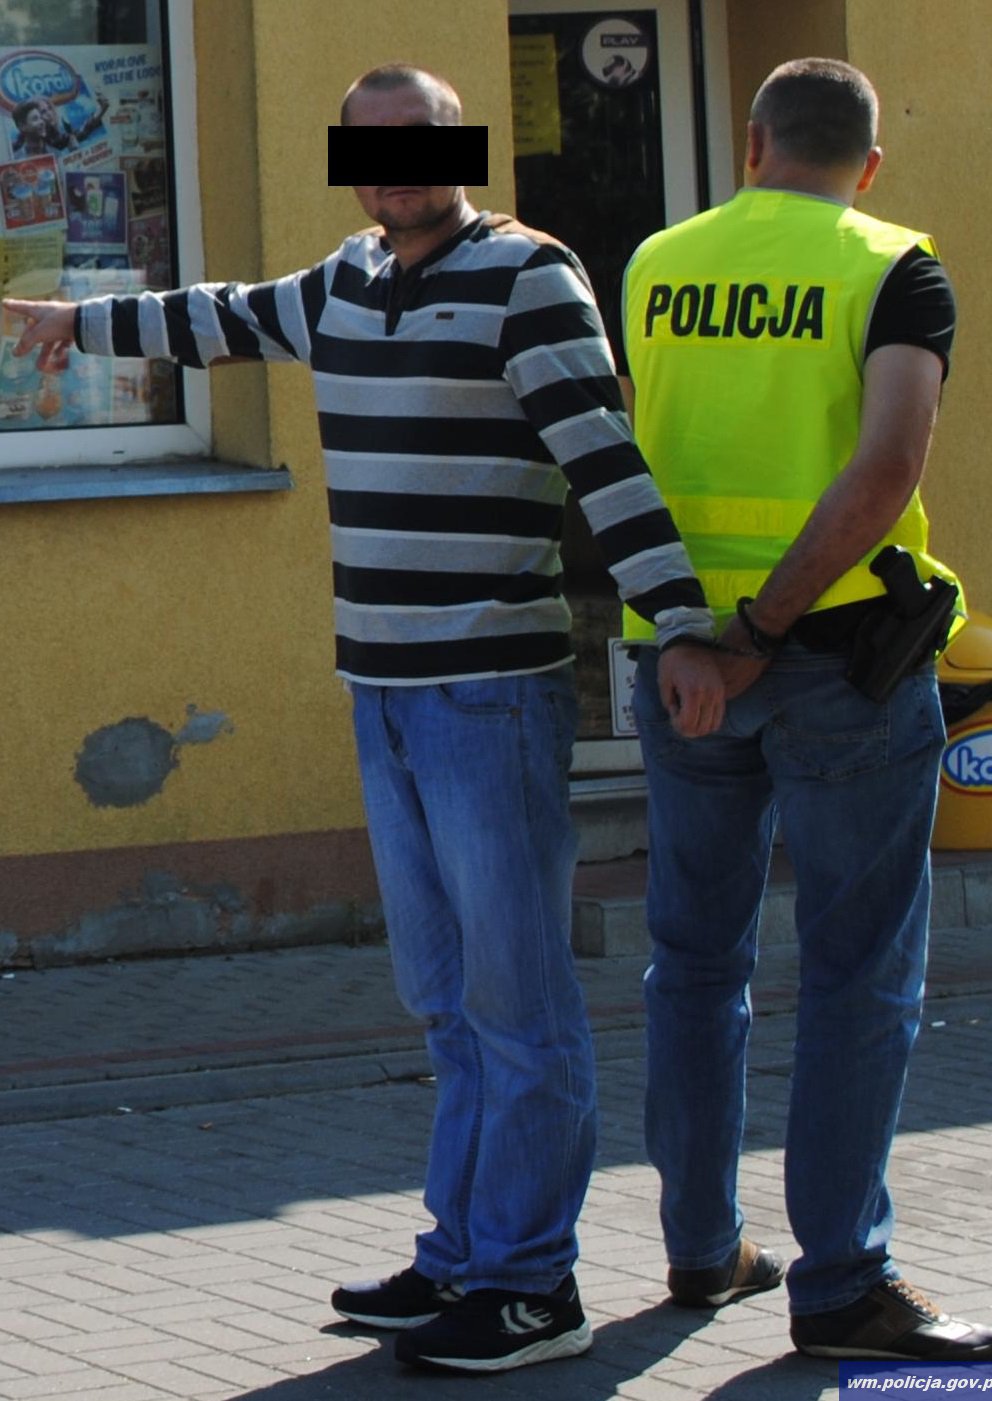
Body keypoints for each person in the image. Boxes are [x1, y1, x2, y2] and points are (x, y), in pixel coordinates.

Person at [4, 63, 724, 1375]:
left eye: (416, 143)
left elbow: (605, 462)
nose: (391, 170)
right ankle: (460, 1252)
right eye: (367, 149)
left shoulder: (529, 279)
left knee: (518, 1001)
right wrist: (74, 319)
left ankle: (532, 1283)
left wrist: (675, 623)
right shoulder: (349, 279)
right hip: (381, 694)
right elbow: (221, 316)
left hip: (488, 695)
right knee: (444, 997)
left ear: (463, 146)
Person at [622, 55, 992, 1362]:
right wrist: (765, 631)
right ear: (870, 164)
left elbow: (633, 453)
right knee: (857, 973)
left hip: (680, 665)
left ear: (751, 145)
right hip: (835, 664)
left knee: (692, 960)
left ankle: (700, 1247)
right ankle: (840, 1283)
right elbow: (887, 463)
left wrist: (706, 638)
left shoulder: (656, 263)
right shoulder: (892, 266)